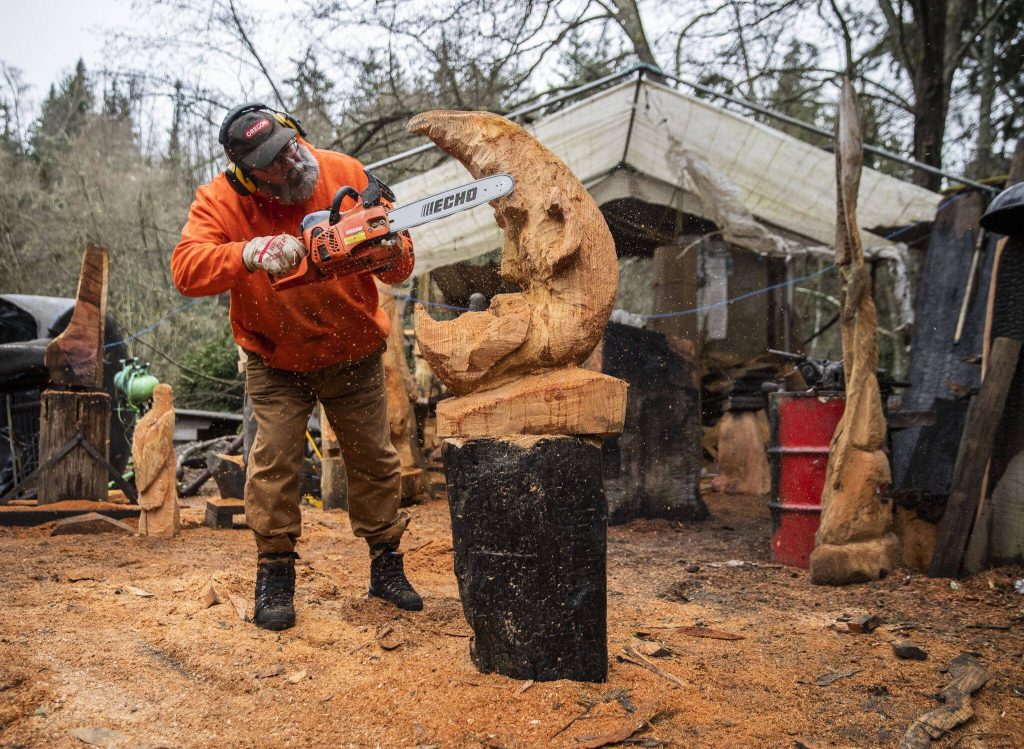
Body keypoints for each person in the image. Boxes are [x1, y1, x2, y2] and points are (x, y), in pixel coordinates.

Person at [172, 102, 421, 631]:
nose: (290, 163)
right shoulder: (219, 201)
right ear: (245, 171)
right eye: (272, 162)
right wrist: (248, 253)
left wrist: (386, 253)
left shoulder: (346, 172)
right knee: (275, 463)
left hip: (352, 349)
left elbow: (402, 263)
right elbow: (185, 269)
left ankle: (386, 564)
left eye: (290, 148)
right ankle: (276, 570)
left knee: (374, 459)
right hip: (276, 357)